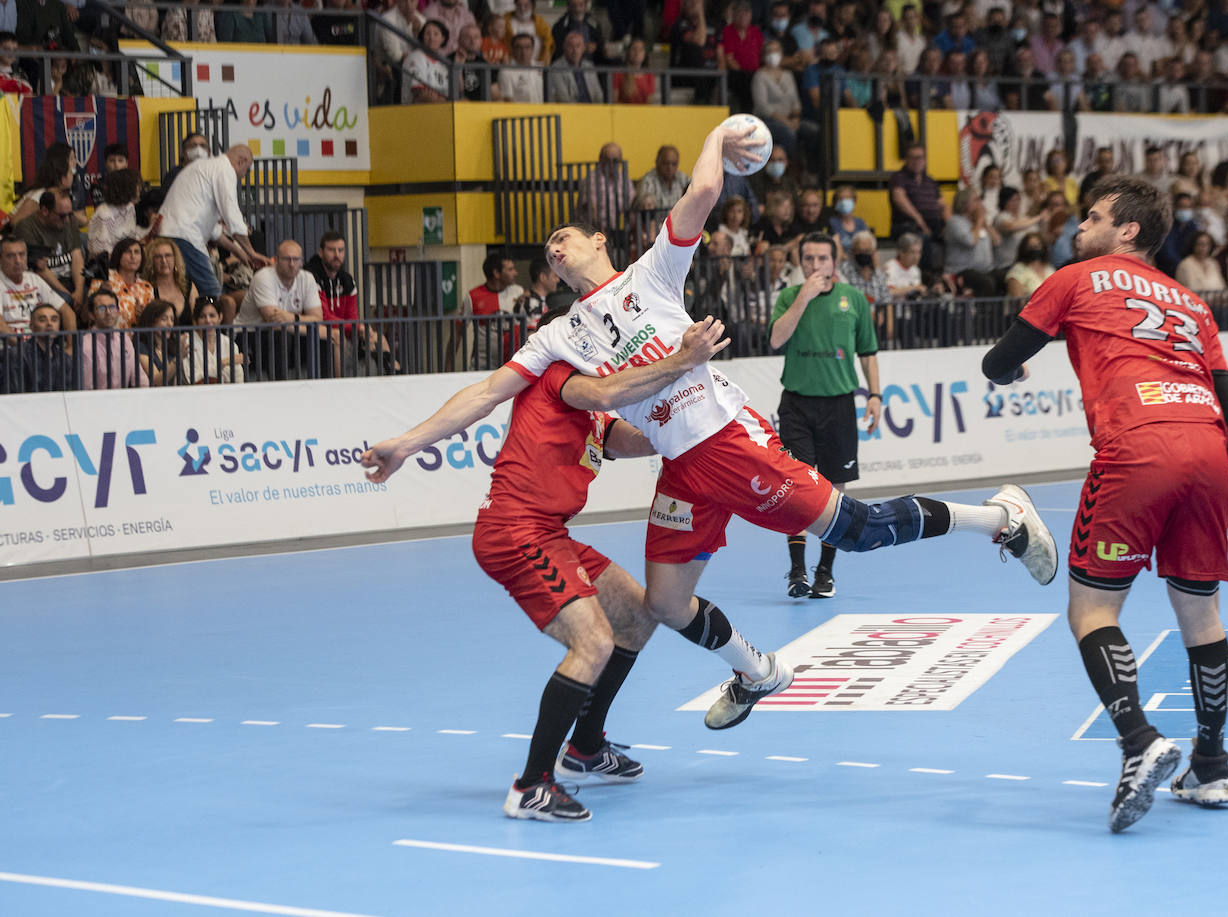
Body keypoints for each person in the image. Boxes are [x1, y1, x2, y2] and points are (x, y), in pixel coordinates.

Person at [363, 122, 1058, 734]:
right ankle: (757, 670)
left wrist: (719, 135)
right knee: (664, 602)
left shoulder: (651, 275)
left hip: (726, 438)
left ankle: (1000, 516)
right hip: (680, 465)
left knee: (859, 530)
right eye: (547, 251)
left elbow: (697, 195)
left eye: (564, 237)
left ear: (598, 240)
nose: (555, 249)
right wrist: (403, 442)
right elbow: (484, 394)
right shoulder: (559, 335)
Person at [981, 174, 1228, 834]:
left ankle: (1139, 742)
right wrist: (1198, 466)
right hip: (1208, 447)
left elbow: (999, 360)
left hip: (1136, 445)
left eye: (1092, 216)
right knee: (1201, 611)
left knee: (1092, 608)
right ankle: (1211, 765)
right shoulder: (1193, 303)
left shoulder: (1077, 278)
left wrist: (1011, 370)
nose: (1079, 227)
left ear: (1127, 230)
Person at [492, 309, 732, 821]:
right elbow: (605, 394)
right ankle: (531, 785)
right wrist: (682, 359)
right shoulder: (560, 379)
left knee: (639, 613)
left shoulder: (598, 413)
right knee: (595, 642)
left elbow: (641, 438)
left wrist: (708, 416)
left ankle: (584, 747)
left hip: (552, 532)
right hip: (516, 529)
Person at [770, 232, 881, 598]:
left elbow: (867, 351)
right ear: (800, 263)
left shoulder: (854, 300)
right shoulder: (789, 296)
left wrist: (875, 394)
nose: (815, 265)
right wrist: (804, 296)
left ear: (835, 261)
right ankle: (797, 571)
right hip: (798, 404)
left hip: (838, 405)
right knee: (797, 489)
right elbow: (776, 340)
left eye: (822, 259)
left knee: (835, 491)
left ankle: (826, 572)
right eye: (808, 259)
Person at [158, 144, 270, 302]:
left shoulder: (204, 168)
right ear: (241, 161)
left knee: (187, 290)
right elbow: (233, 216)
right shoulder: (224, 170)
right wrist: (251, 252)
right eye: (247, 169)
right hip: (184, 236)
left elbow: (214, 231)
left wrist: (241, 254)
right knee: (210, 290)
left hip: (170, 233)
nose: (244, 175)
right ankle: (212, 326)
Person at [236, 240, 329, 380]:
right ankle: (281, 389)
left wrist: (292, 318)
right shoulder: (263, 277)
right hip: (249, 335)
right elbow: (273, 320)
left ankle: (323, 388)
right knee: (282, 335)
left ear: (301, 262)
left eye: (295, 259)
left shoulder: (307, 278)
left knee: (323, 339)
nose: (292, 264)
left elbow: (317, 317)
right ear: (276, 260)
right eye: (287, 259)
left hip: (287, 331)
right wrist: (310, 325)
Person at [307, 231, 397, 375]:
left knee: (378, 338)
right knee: (338, 338)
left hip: (345, 330)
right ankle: (340, 388)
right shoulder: (310, 277)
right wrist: (356, 327)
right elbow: (324, 316)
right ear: (321, 252)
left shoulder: (347, 280)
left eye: (341, 250)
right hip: (319, 334)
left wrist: (361, 330)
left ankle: (395, 378)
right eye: (331, 250)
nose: (337, 255)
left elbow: (352, 315)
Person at [13, 190, 84, 307]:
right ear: (45, 211)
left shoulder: (69, 219)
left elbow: (77, 256)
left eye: (69, 214)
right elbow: (40, 270)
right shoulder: (26, 227)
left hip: (71, 280)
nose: (67, 220)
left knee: (96, 299)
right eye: (62, 216)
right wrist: (70, 296)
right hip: (45, 284)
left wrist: (79, 291)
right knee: (65, 301)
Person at [0, 235, 72, 336]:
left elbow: (68, 312)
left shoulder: (34, 279)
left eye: (22, 255)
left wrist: (71, 347)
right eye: (10, 256)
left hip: (37, 344)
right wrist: (22, 347)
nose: (18, 261)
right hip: (10, 347)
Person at [0, 301, 79, 393]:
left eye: (54, 320)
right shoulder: (16, 354)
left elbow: (68, 393)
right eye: (42, 320)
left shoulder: (64, 357)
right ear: (31, 326)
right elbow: (15, 393)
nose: (49, 323)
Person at [82, 286, 147, 389]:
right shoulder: (85, 344)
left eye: (112, 307)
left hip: (124, 400)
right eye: (102, 308)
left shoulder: (124, 339)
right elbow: (87, 387)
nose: (108, 312)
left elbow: (139, 378)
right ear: (91, 315)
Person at [183, 295, 245, 384]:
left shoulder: (229, 343)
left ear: (220, 317)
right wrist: (223, 364)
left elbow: (238, 378)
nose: (208, 320)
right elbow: (193, 379)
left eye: (212, 315)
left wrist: (208, 373)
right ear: (196, 321)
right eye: (202, 316)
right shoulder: (188, 343)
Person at [87, 169, 143, 258]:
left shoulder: (130, 207)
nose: (140, 189)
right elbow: (101, 254)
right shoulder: (104, 214)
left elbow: (131, 238)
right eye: (137, 186)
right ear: (125, 187)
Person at [142, 237, 198, 322]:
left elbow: (198, 322)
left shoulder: (189, 286)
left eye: (168, 255)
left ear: (175, 258)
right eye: (158, 257)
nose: (164, 261)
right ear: (151, 261)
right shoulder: (146, 288)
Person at [105, 237, 155, 327]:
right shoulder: (105, 279)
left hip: (137, 338)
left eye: (136, 252)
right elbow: (86, 315)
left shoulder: (147, 287)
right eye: (128, 252)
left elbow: (151, 323)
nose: (133, 256)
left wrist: (142, 317)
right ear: (118, 255)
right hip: (107, 338)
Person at [134, 299, 185, 387]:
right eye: (164, 319)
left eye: (172, 319)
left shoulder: (172, 346)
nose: (170, 324)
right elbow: (156, 381)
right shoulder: (141, 346)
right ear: (152, 322)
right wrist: (178, 358)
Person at [498, 32, 545, 102]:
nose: (523, 51)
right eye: (519, 48)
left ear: (532, 49)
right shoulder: (506, 72)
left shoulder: (542, 67)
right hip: (520, 112)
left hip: (545, 111)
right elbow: (508, 100)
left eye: (527, 47)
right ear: (512, 50)